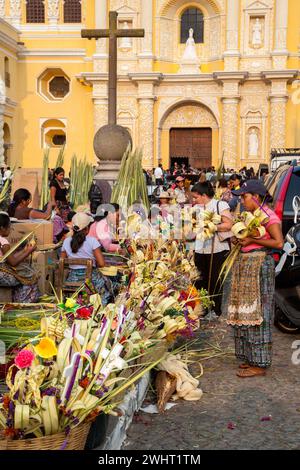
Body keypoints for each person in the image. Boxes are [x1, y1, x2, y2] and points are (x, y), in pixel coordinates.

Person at [223, 180, 283, 378]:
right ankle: (249, 357)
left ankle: (260, 363)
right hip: (246, 265)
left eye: (245, 196)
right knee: (245, 310)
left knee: (259, 311)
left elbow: (278, 242)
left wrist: (252, 240)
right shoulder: (249, 216)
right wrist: (238, 239)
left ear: (256, 197)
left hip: (259, 265)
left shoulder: (268, 217)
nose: (241, 200)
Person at [191, 182, 233, 318]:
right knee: (199, 279)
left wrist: (213, 226)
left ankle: (215, 309)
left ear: (204, 195)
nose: (194, 200)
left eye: (196, 197)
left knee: (215, 280)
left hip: (217, 249)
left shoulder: (220, 205)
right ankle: (202, 308)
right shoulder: (195, 208)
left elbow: (228, 225)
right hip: (199, 248)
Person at [61, 212, 114, 306]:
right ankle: (100, 307)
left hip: (72, 279)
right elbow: (101, 263)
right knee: (108, 282)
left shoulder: (66, 241)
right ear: (86, 229)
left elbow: (61, 262)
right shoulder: (92, 241)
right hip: (90, 280)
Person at [0, 212, 39, 302]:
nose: (10, 230)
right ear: (2, 228)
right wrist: (29, 251)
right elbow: (13, 262)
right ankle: (23, 302)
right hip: (1, 275)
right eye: (9, 227)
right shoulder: (3, 241)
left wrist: (25, 250)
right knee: (30, 275)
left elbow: (8, 258)